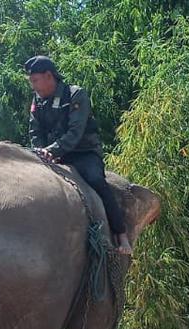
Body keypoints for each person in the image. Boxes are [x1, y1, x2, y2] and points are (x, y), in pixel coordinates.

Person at [24, 55, 133, 255]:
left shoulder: (75, 95)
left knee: (96, 180)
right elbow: (35, 131)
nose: (34, 86)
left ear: (49, 76)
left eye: (35, 80)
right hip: (54, 155)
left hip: (83, 153)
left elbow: (75, 132)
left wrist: (51, 150)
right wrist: (39, 152)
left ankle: (121, 234)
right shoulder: (38, 102)